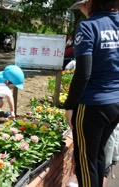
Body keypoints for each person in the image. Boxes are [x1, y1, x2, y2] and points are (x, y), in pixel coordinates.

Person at [64, 0, 119, 187]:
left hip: (93, 104)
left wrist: (69, 105)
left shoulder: (88, 26)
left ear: (90, 3)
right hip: (116, 102)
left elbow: (83, 73)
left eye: (82, 6)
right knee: (97, 155)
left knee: (85, 162)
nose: (81, 10)